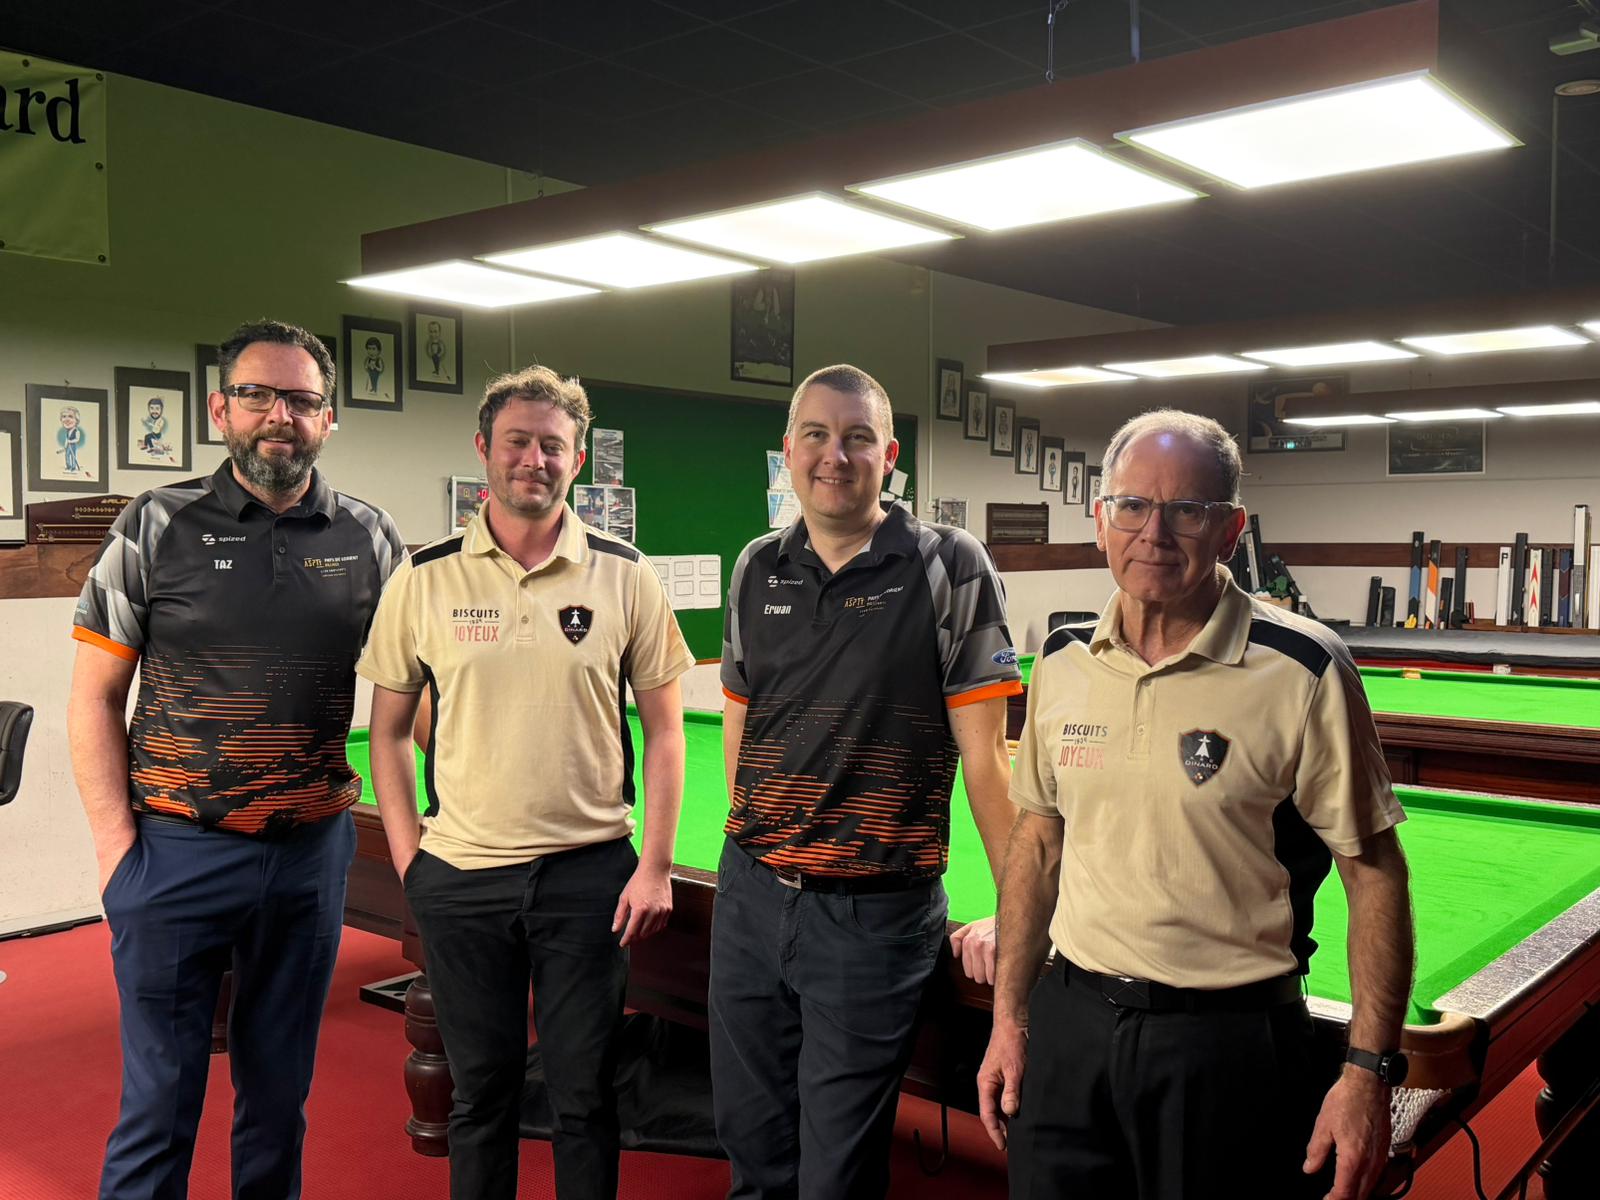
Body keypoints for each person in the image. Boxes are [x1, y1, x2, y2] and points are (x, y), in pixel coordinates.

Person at [978, 409, 1415, 1200]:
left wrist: (1366, 1072)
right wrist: (1010, 1016)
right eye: (1133, 506)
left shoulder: (1304, 668)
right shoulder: (1063, 661)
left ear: (1230, 529)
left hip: (1228, 1045)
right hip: (1071, 1026)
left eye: (1187, 509)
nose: (1154, 533)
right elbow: (1038, 842)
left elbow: (1375, 872)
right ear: (1101, 520)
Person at [67, 318, 405, 1199]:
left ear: (328, 418)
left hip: (311, 855)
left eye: (301, 399)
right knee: (160, 1100)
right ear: (221, 409)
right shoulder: (154, 524)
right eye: (257, 395)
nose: (278, 415)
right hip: (176, 849)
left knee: (279, 1097)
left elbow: (415, 696)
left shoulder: (371, 538)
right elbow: (94, 698)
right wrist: (116, 852)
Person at [358, 365, 692, 1200]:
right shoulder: (423, 575)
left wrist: (655, 864)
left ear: (577, 459)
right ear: (485, 449)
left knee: (585, 1099)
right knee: (481, 1098)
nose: (533, 460)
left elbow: (665, 731)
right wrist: (409, 861)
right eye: (517, 441)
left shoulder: (626, 573)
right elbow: (387, 732)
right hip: (461, 877)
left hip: (590, 877)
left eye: (552, 445)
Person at [713, 363, 1021, 1199]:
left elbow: (989, 761)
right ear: (788, 451)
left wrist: (1020, 912)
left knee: (835, 1180)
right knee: (751, 1156)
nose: (835, 456)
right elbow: (741, 720)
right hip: (749, 900)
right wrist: (751, 850)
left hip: (873, 919)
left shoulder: (949, 565)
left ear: (889, 456)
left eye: (857, 438)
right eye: (816, 435)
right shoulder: (756, 566)